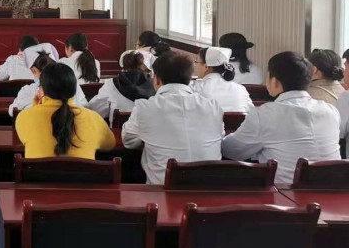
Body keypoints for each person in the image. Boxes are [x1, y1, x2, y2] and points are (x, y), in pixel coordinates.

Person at [222, 51, 340, 184]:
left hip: (287, 193)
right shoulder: (331, 111)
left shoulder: (265, 114)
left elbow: (232, 150)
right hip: (335, 191)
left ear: (275, 81)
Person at [121, 51, 224, 184]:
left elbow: (128, 141)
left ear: (156, 79)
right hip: (209, 189)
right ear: (189, 78)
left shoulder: (145, 108)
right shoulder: (213, 107)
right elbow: (220, 137)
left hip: (163, 190)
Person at [15, 62, 114, 159]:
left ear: (41, 91)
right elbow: (110, 144)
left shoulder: (24, 117)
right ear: (74, 90)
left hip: (38, 171)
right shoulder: (93, 118)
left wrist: (34, 108)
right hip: (81, 171)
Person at [8, 44, 88, 116]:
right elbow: (85, 107)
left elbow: (12, 111)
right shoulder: (72, 85)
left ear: (33, 70)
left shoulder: (27, 91)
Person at [88, 51, 156, 122]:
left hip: (119, 128)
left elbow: (94, 109)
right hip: (149, 127)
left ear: (123, 68)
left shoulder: (111, 84)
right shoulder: (156, 87)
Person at [193, 47, 254, 113]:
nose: (195, 65)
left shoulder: (195, 89)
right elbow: (252, 113)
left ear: (206, 67)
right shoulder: (241, 90)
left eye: (196, 62)